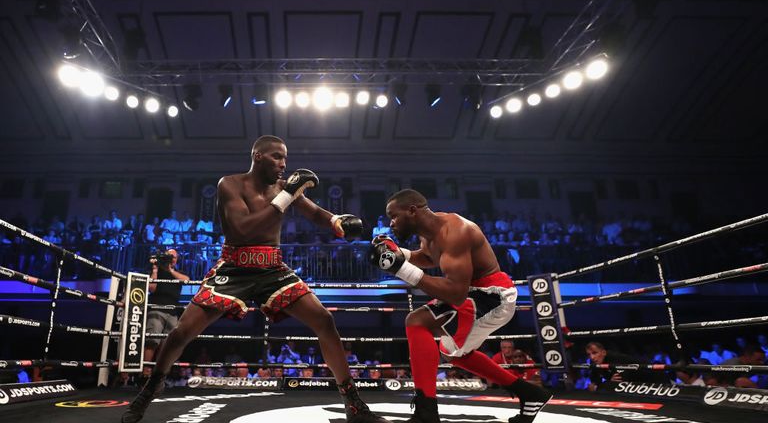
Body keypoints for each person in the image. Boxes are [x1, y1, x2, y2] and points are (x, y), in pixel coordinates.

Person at [122, 135, 387, 423]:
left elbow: (315, 213)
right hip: (234, 268)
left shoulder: (284, 188)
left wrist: (337, 221)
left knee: (324, 320)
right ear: (258, 156)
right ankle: (151, 387)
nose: (283, 164)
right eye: (276, 156)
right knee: (182, 331)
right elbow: (242, 230)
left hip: (272, 268)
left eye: (285, 158)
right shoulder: (230, 184)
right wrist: (286, 196)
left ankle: (353, 404)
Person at [369, 189, 551, 423]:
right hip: (473, 294)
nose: (391, 224)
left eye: (394, 216)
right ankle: (529, 393)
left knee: (417, 321)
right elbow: (430, 257)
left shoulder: (455, 231)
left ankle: (426, 412)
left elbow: (456, 294)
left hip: (493, 296)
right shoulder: (429, 234)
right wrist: (400, 254)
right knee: (453, 354)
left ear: (412, 210)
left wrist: (401, 269)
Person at [143, 249, 190, 371]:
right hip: (156, 309)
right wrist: (155, 270)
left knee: (167, 345)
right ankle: (145, 371)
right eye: (169, 256)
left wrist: (170, 270)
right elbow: (151, 288)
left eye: (174, 257)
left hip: (173, 313)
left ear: (177, 259)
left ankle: (159, 373)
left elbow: (186, 280)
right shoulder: (157, 270)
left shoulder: (178, 272)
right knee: (152, 341)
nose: (172, 259)